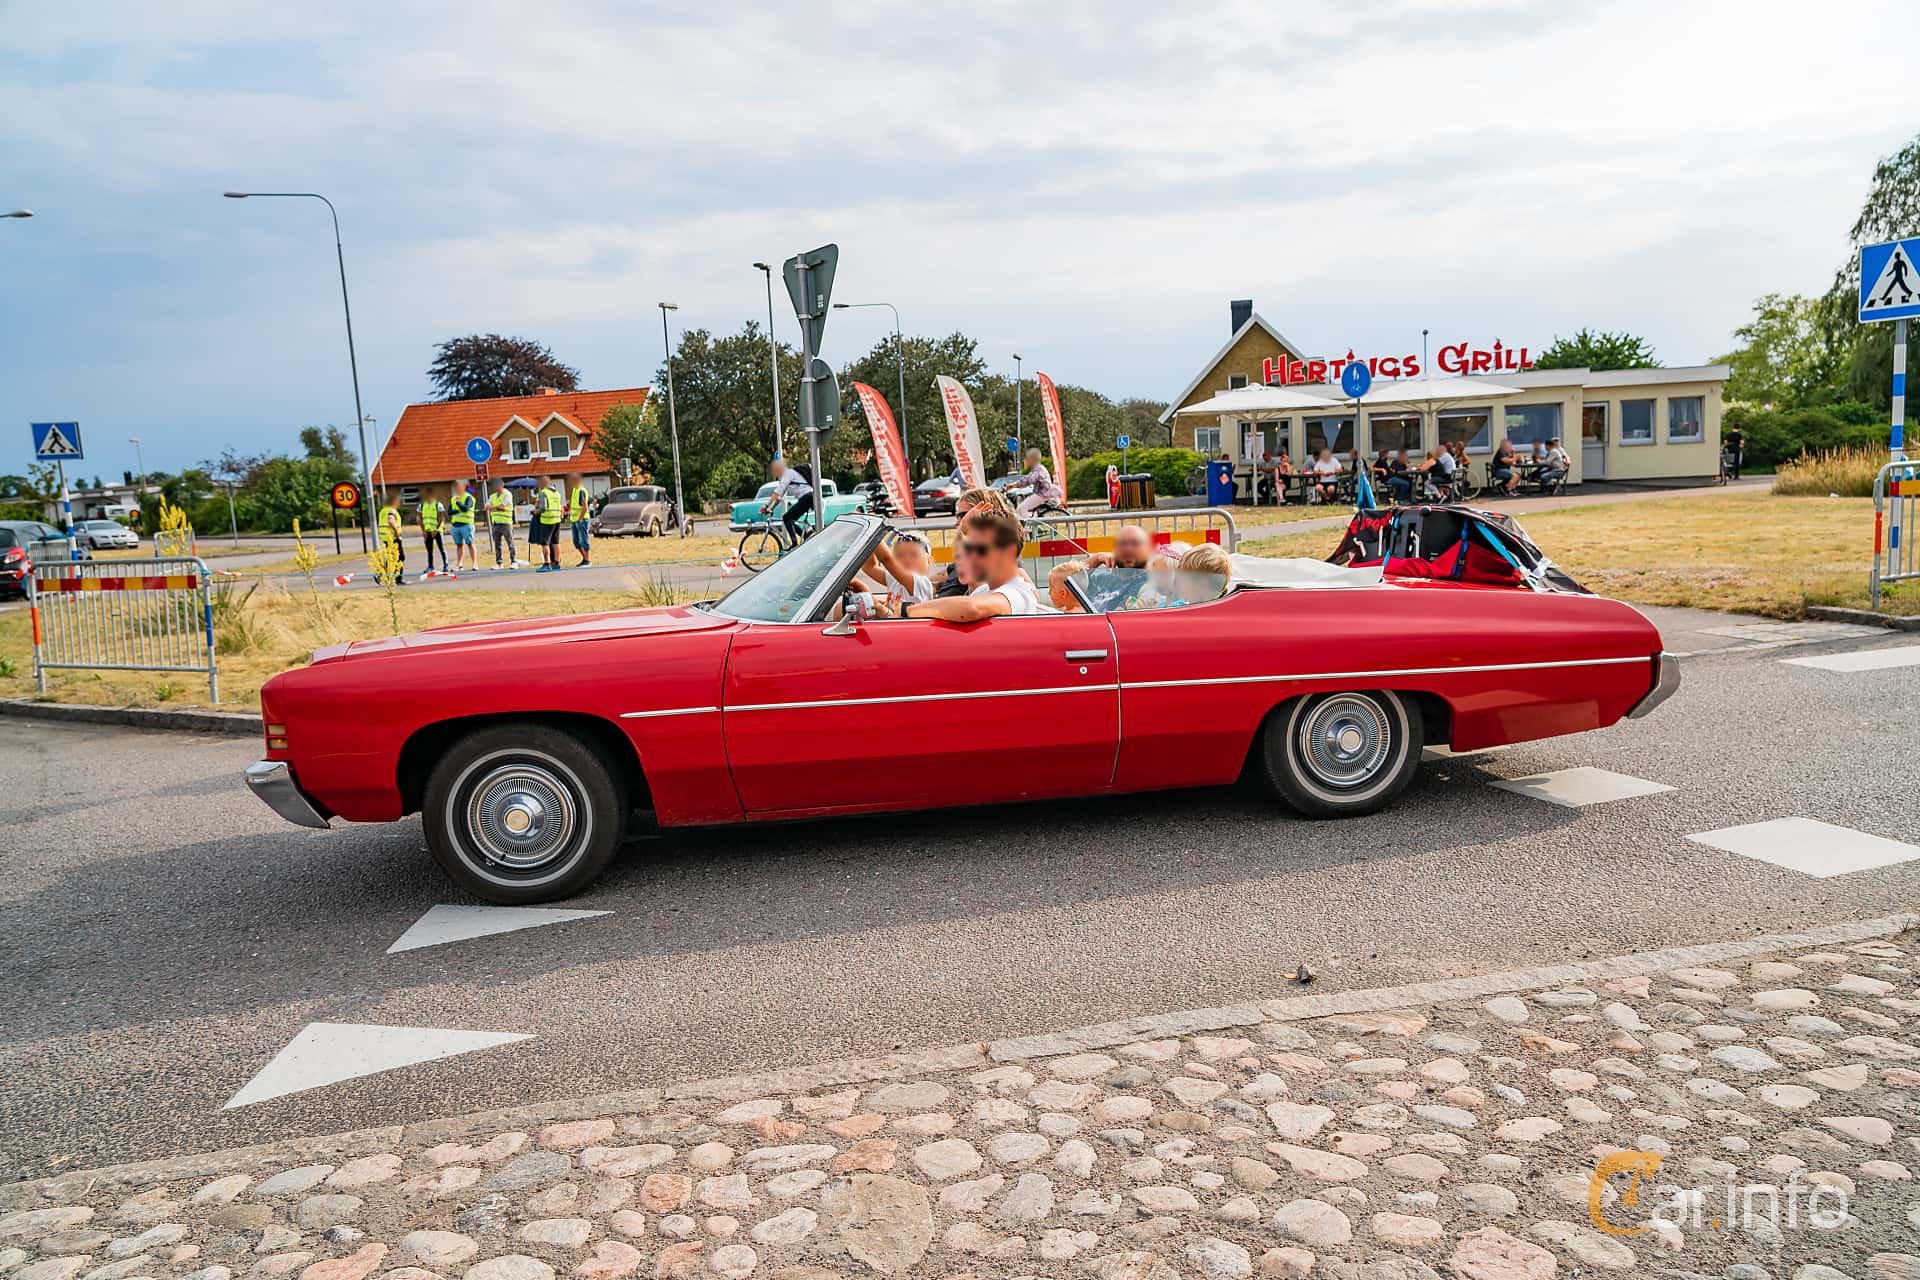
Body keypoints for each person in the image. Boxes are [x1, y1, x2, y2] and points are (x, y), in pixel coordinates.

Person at [892, 507, 1039, 621]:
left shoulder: (1017, 592)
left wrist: (908, 610)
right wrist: (963, 529)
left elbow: (971, 608)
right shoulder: (984, 590)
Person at [762, 458, 815, 544]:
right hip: (807, 497)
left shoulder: (788, 473)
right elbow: (780, 496)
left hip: (807, 497)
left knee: (787, 517)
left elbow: (778, 491)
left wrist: (766, 505)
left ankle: (794, 543)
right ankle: (804, 535)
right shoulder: (788, 475)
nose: (774, 472)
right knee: (789, 518)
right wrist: (772, 509)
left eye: (775, 470)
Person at [1015, 447, 1064, 516]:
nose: (1025, 460)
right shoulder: (1038, 468)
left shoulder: (1038, 469)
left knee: (1021, 508)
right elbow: (1028, 478)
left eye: (1026, 458)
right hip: (1043, 493)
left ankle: (1029, 526)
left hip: (1042, 494)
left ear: (1032, 459)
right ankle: (1029, 524)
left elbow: (1029, 480)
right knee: (1021, 508)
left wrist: (1014, 485)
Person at [531, 474, 564, 572]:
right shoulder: (557, 493)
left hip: (547, 521)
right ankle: (557, 563)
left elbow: (543, 507)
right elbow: (559, 506)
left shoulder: (543, 493)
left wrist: (535, 512)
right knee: (556, 542)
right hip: (556, 520)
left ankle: (547, 563)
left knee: (544, 543)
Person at [486, 479, 517, 569]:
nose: (496, 486)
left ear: (502, 485)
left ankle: (513, 561)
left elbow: (502, 507)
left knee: (510, 543)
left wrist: (493, 507)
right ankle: (499, 563)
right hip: (495, 522)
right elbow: (486, 506)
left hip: (506, 522)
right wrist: (496, 507)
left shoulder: (507, 494)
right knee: (497, 544)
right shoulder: (492, 496)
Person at [447, 479, 477, 571]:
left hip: (466, 525)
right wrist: (457, 510)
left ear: (463, 487)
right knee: (459, 545)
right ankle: (459, 564)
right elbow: (449, 511)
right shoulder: (453, 498)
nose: (457, 488)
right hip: (455, 525)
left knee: (470, 544)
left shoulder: (469, 497)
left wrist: (458, 503)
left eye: (458, 486)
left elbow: (466, 508)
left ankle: (474, 564)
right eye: (456, 487)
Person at [378, 494, 406, 585]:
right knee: (400, 557)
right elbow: (391, 520)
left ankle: (381, 574)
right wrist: (396, 531)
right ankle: (398, 579)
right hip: (393, 538)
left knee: (391, 558)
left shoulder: (383, 510)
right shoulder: (391, 510)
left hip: (386, 538)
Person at [566, 472, 593, 566]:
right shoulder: (574, 490)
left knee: (584, 540)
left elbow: (585, 507)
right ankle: (584, 558)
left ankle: (587, 560)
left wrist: (580, 519)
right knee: (576, 542)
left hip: (582, 519)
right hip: (574, 519)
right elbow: (574, 504)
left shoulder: (581, 490)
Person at [418, 490, 446, 573]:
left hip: (437, 531)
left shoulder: (438, 505)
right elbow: (420, 519)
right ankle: (430, 566)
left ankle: (446, 565)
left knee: (442, 548)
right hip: (427, 531)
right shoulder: (422, 505)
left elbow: (441, 518)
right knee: (429, 550)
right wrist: (423, 531)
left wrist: (436, 529)